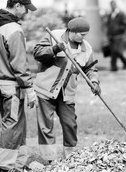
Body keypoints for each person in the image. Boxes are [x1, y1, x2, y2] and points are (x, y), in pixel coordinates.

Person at [33, 17, 101, 162]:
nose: (84, 38)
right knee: (46, 125)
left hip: (67, 93)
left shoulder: (86, 48)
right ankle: (49, 160)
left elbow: (90, 68)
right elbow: (37, 53)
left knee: (70, 123)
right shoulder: (54, 36)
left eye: (85, 35)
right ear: (72, 31)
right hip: (46, 89)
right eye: (82, 34)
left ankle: (70, 159)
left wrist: (94, 81)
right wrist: (55, 49)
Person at [0, 0, 38, 172]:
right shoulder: (14, 29)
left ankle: (19, 162)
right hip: (11, 82)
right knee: (12, 121)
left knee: (17, 121)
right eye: (25, 8)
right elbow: (19, 63)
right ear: (17, 6)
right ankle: (6, 164)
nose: (26, 12)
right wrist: (30, 90)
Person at [106, 0, 126, 71]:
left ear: (116, 5)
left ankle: (125, 61)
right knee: (113, 51)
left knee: (117, 50)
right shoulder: (110, 14)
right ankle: (114, 67)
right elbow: (108, 25)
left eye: (113, 5)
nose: (112, 6)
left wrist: (119, 28)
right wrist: (108, 34)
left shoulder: (121, 14)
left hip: (119, 36)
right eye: (111, 5)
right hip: (111, 36)